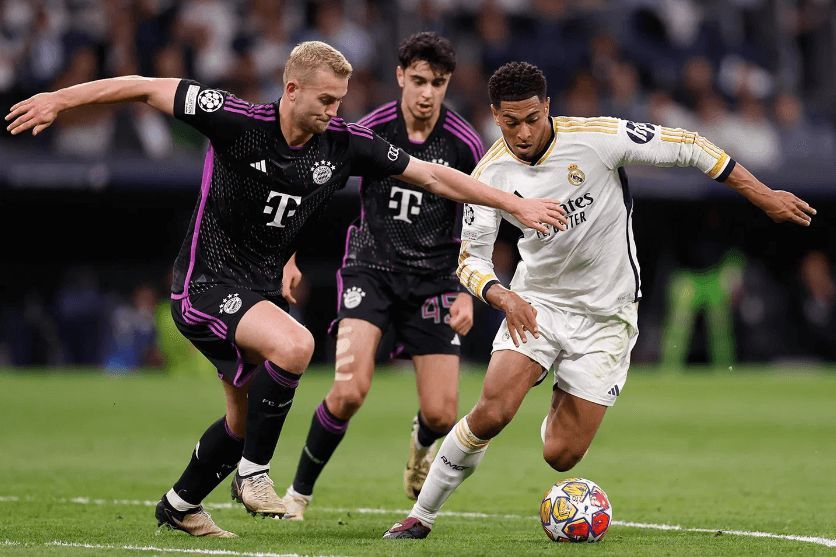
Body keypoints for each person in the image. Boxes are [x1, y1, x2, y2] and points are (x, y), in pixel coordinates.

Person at [5, 43, 565, 539]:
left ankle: (179, 504)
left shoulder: (343, 143)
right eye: (324, 100)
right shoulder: (235, 120)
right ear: (290, 88)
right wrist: (59, 100)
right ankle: (255, 474)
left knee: (240, 420)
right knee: (295, 346)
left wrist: (515, 206)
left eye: (340, 101)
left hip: (256, 294)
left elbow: (435, 176)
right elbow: (143, 86)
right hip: (203, 285)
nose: (333, 111)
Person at [383, 61, 816, 539]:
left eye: (532, 118)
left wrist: (763, 195)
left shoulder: (597, 137)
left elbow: (691, 147)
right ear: (495, 115)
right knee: (493, 410)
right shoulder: (490, 174)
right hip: (537, 304)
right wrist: (502, 296)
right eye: (511, 122)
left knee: (560, 456)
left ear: (548, 107)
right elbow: (470, 259)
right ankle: (419, 517)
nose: (523, 131)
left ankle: (559, 393)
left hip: (608, 317)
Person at [279, 32, 482, 520]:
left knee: (441, 414)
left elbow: (480, 215)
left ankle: (419, 447)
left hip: (434, 281)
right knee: (348, 391)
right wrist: (288, 253)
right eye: (418, 80)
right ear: (400, 77)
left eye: (438, 82)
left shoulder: (464, 143)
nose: (427, 92)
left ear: (448, 83)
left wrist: (469, 289)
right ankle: (298, 495)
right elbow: (311, 185)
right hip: (371, 270)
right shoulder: (369, 130)